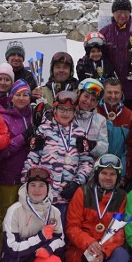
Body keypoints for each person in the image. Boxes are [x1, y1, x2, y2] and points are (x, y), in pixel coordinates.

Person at [1, 165, 69, 262]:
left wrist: (49, 249)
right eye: (32, 185)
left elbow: (60, 239)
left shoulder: (54, 211)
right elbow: (12, 248)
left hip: (36, 260)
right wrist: (40, 238)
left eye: (41, 186)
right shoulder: (15, 210)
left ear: (48, 188)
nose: (36, 189)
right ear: (26, 186)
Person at [64, 155, 130, 262]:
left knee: (121, 256)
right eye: (104, 173)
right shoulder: (83, 192)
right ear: (96, 173)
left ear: (118, 176)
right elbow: (72, 226)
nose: (108, 177)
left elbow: (119, 231)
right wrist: (89, 243)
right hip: (80, 249)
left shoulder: (122, 197)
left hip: (105, 249)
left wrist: (103, 250)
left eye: (112, 174)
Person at [25, 91, 95, 226]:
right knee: (39, 233)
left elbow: (86, 162)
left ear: (75, 113)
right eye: (62, 109)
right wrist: (27, 183)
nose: (65, 113)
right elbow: (32, 158)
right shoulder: (44, 130)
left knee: (60, 233)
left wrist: (77, 183)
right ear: (55, 110)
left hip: (65, 196)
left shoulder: (79, 133)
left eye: (70, 110)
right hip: (43, 194)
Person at [0, 80, 35, 258]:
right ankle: (0, 255)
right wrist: (23, 137)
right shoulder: (4, 116)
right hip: (9, 175)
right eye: (18, 94)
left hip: (31, 176)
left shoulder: (35, 115)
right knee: (6, 217)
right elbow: (3, 151)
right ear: (11, 96)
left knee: (28, 218)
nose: (21, 98)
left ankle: (24, 253)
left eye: (25, 94)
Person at [98, 78, 132, 175]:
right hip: (96, 169)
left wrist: (124, 174)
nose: (113, 96)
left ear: (121, 94)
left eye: (116, 93)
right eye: (109, 92)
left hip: (117, 171)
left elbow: (129, 148)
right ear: (103, 92)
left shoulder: (129, 115)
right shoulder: (95, 111)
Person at [74, 78, 109, 159]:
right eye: (86, 96)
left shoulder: (100, 120)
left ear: (97, 103)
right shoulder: (68, 114)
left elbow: (104, 148)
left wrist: (91, 145)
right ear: (79, 94)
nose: (88, 102)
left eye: (93, 100)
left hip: (88, 165)